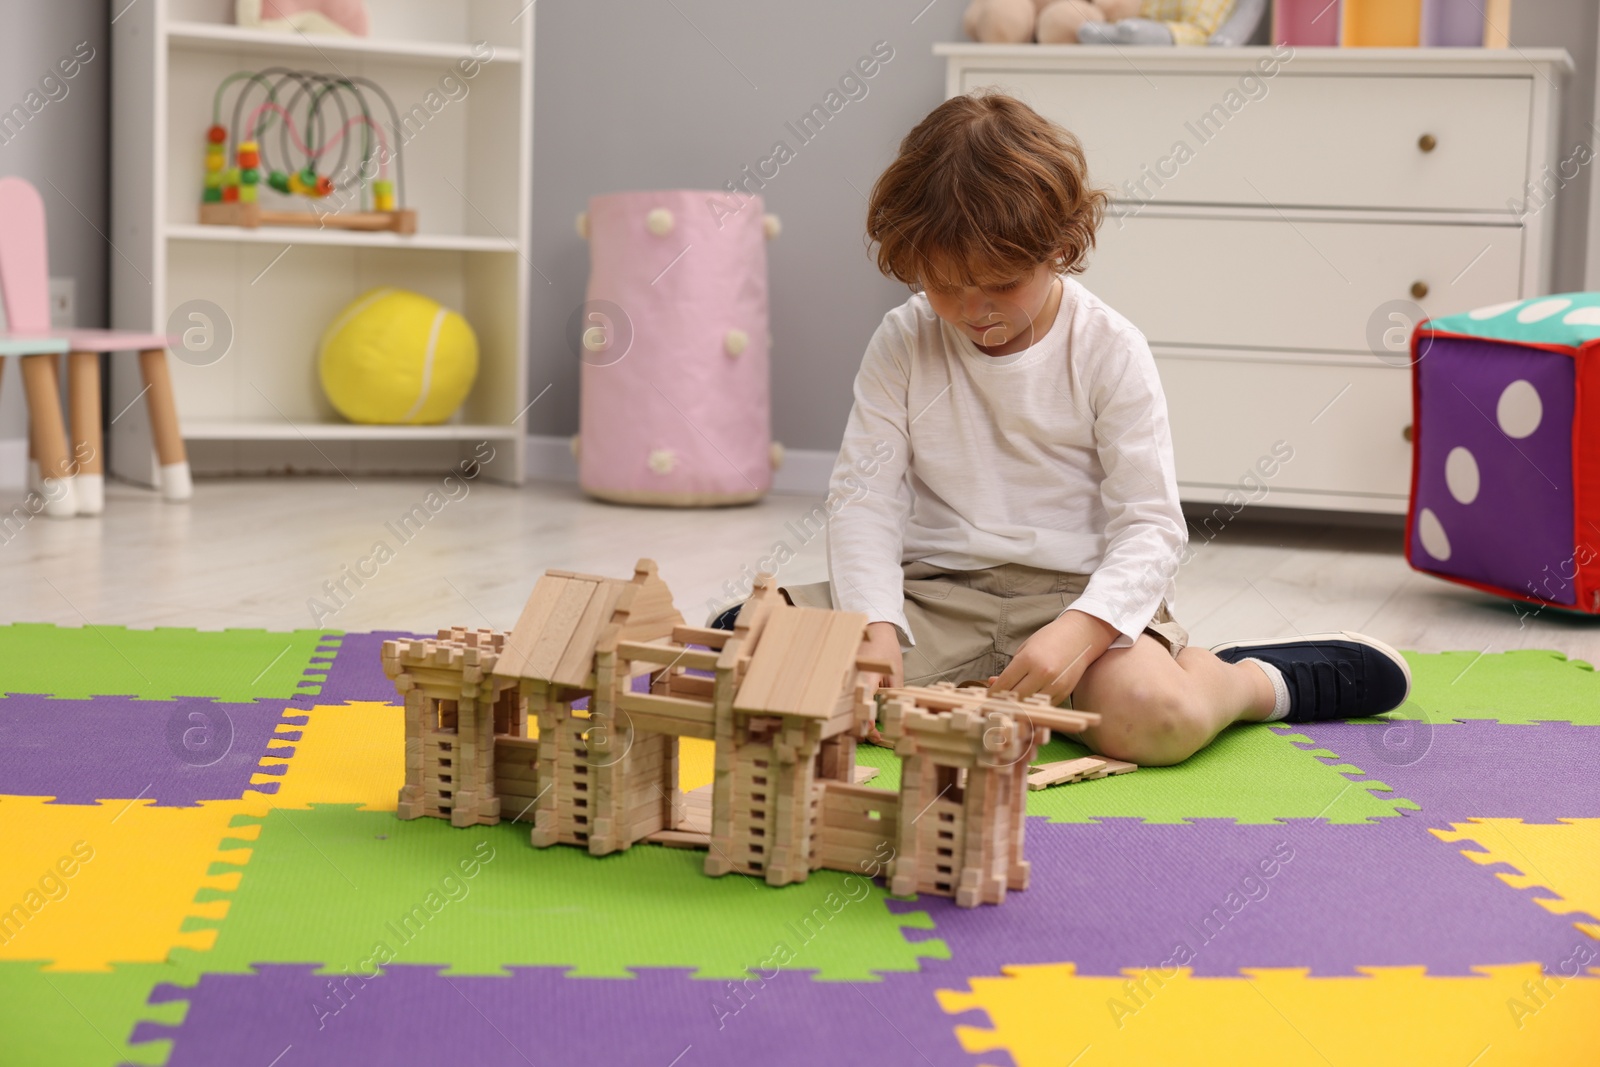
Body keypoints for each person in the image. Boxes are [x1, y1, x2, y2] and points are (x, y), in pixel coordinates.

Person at [712, 90, 1409, 765]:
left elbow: (1151, 526)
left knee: (1160, 722)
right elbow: (864, 502)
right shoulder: (902, 341)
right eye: (946, 285)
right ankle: (958, 679)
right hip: (933, 594)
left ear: (1060, 247)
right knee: (750, 667)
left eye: (1002, 283)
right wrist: (875, 628)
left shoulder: (1109, 348)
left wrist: (1082, 629)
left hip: (1076, 598)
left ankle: (1242, 679)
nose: (973, 310)